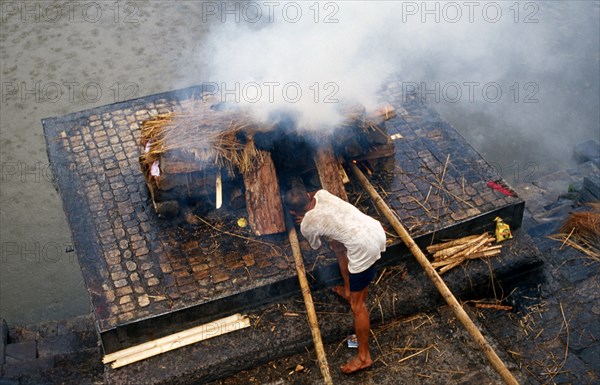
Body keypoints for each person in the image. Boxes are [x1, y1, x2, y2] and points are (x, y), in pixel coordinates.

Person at [285, 187, 386, 374]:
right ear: (308, 194)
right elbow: (331, 238)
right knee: (338, 246)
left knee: (358, 306)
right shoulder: (322, 194)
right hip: (374, 228)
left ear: (292, 212)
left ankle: (364, 357)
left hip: (364, 246)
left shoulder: (307, 225)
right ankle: (348, 290)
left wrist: (305, 221)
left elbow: (315, 246)